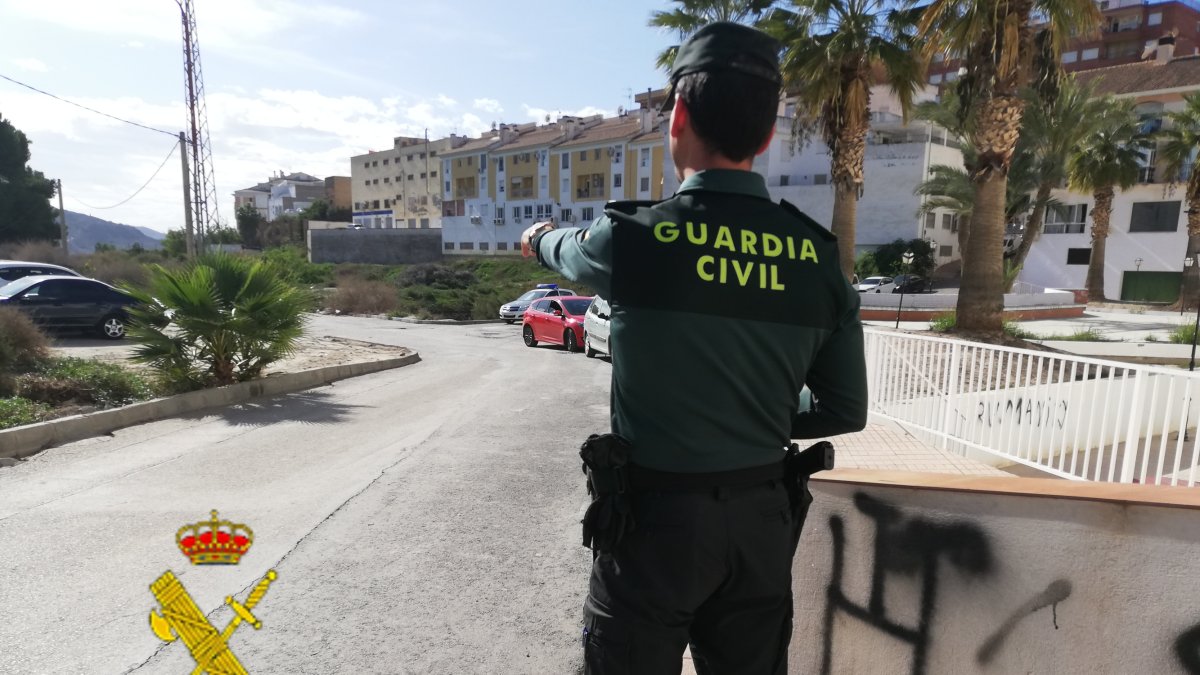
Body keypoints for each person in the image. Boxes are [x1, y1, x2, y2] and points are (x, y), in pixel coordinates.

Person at [521, 22, 868, 674]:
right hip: (762, 525)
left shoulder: (633, 237)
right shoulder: (817, 259)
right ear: (765, 137)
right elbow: (845, 406)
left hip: (654, 527)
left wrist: (536, 236)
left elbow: (563, 250)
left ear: (678, 114)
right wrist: (753, 411)